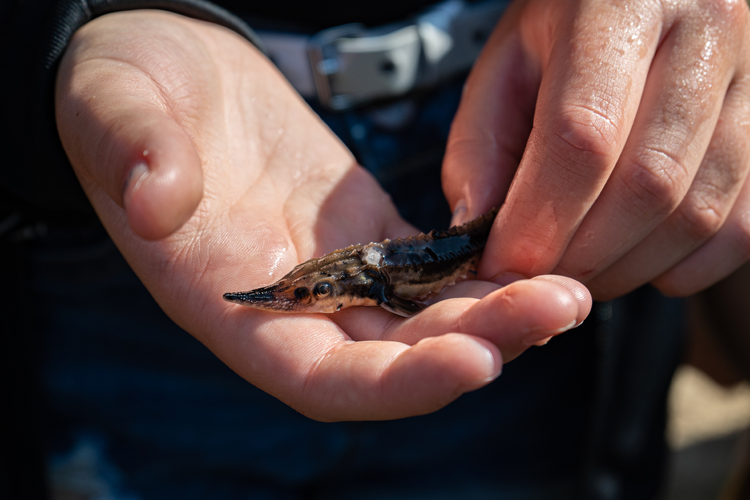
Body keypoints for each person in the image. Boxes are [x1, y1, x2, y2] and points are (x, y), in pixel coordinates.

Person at [1, 0, 749, 498]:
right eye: (296, 296)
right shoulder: (354, 275)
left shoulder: (369, 279)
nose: (288, 301)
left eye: (301, 296)